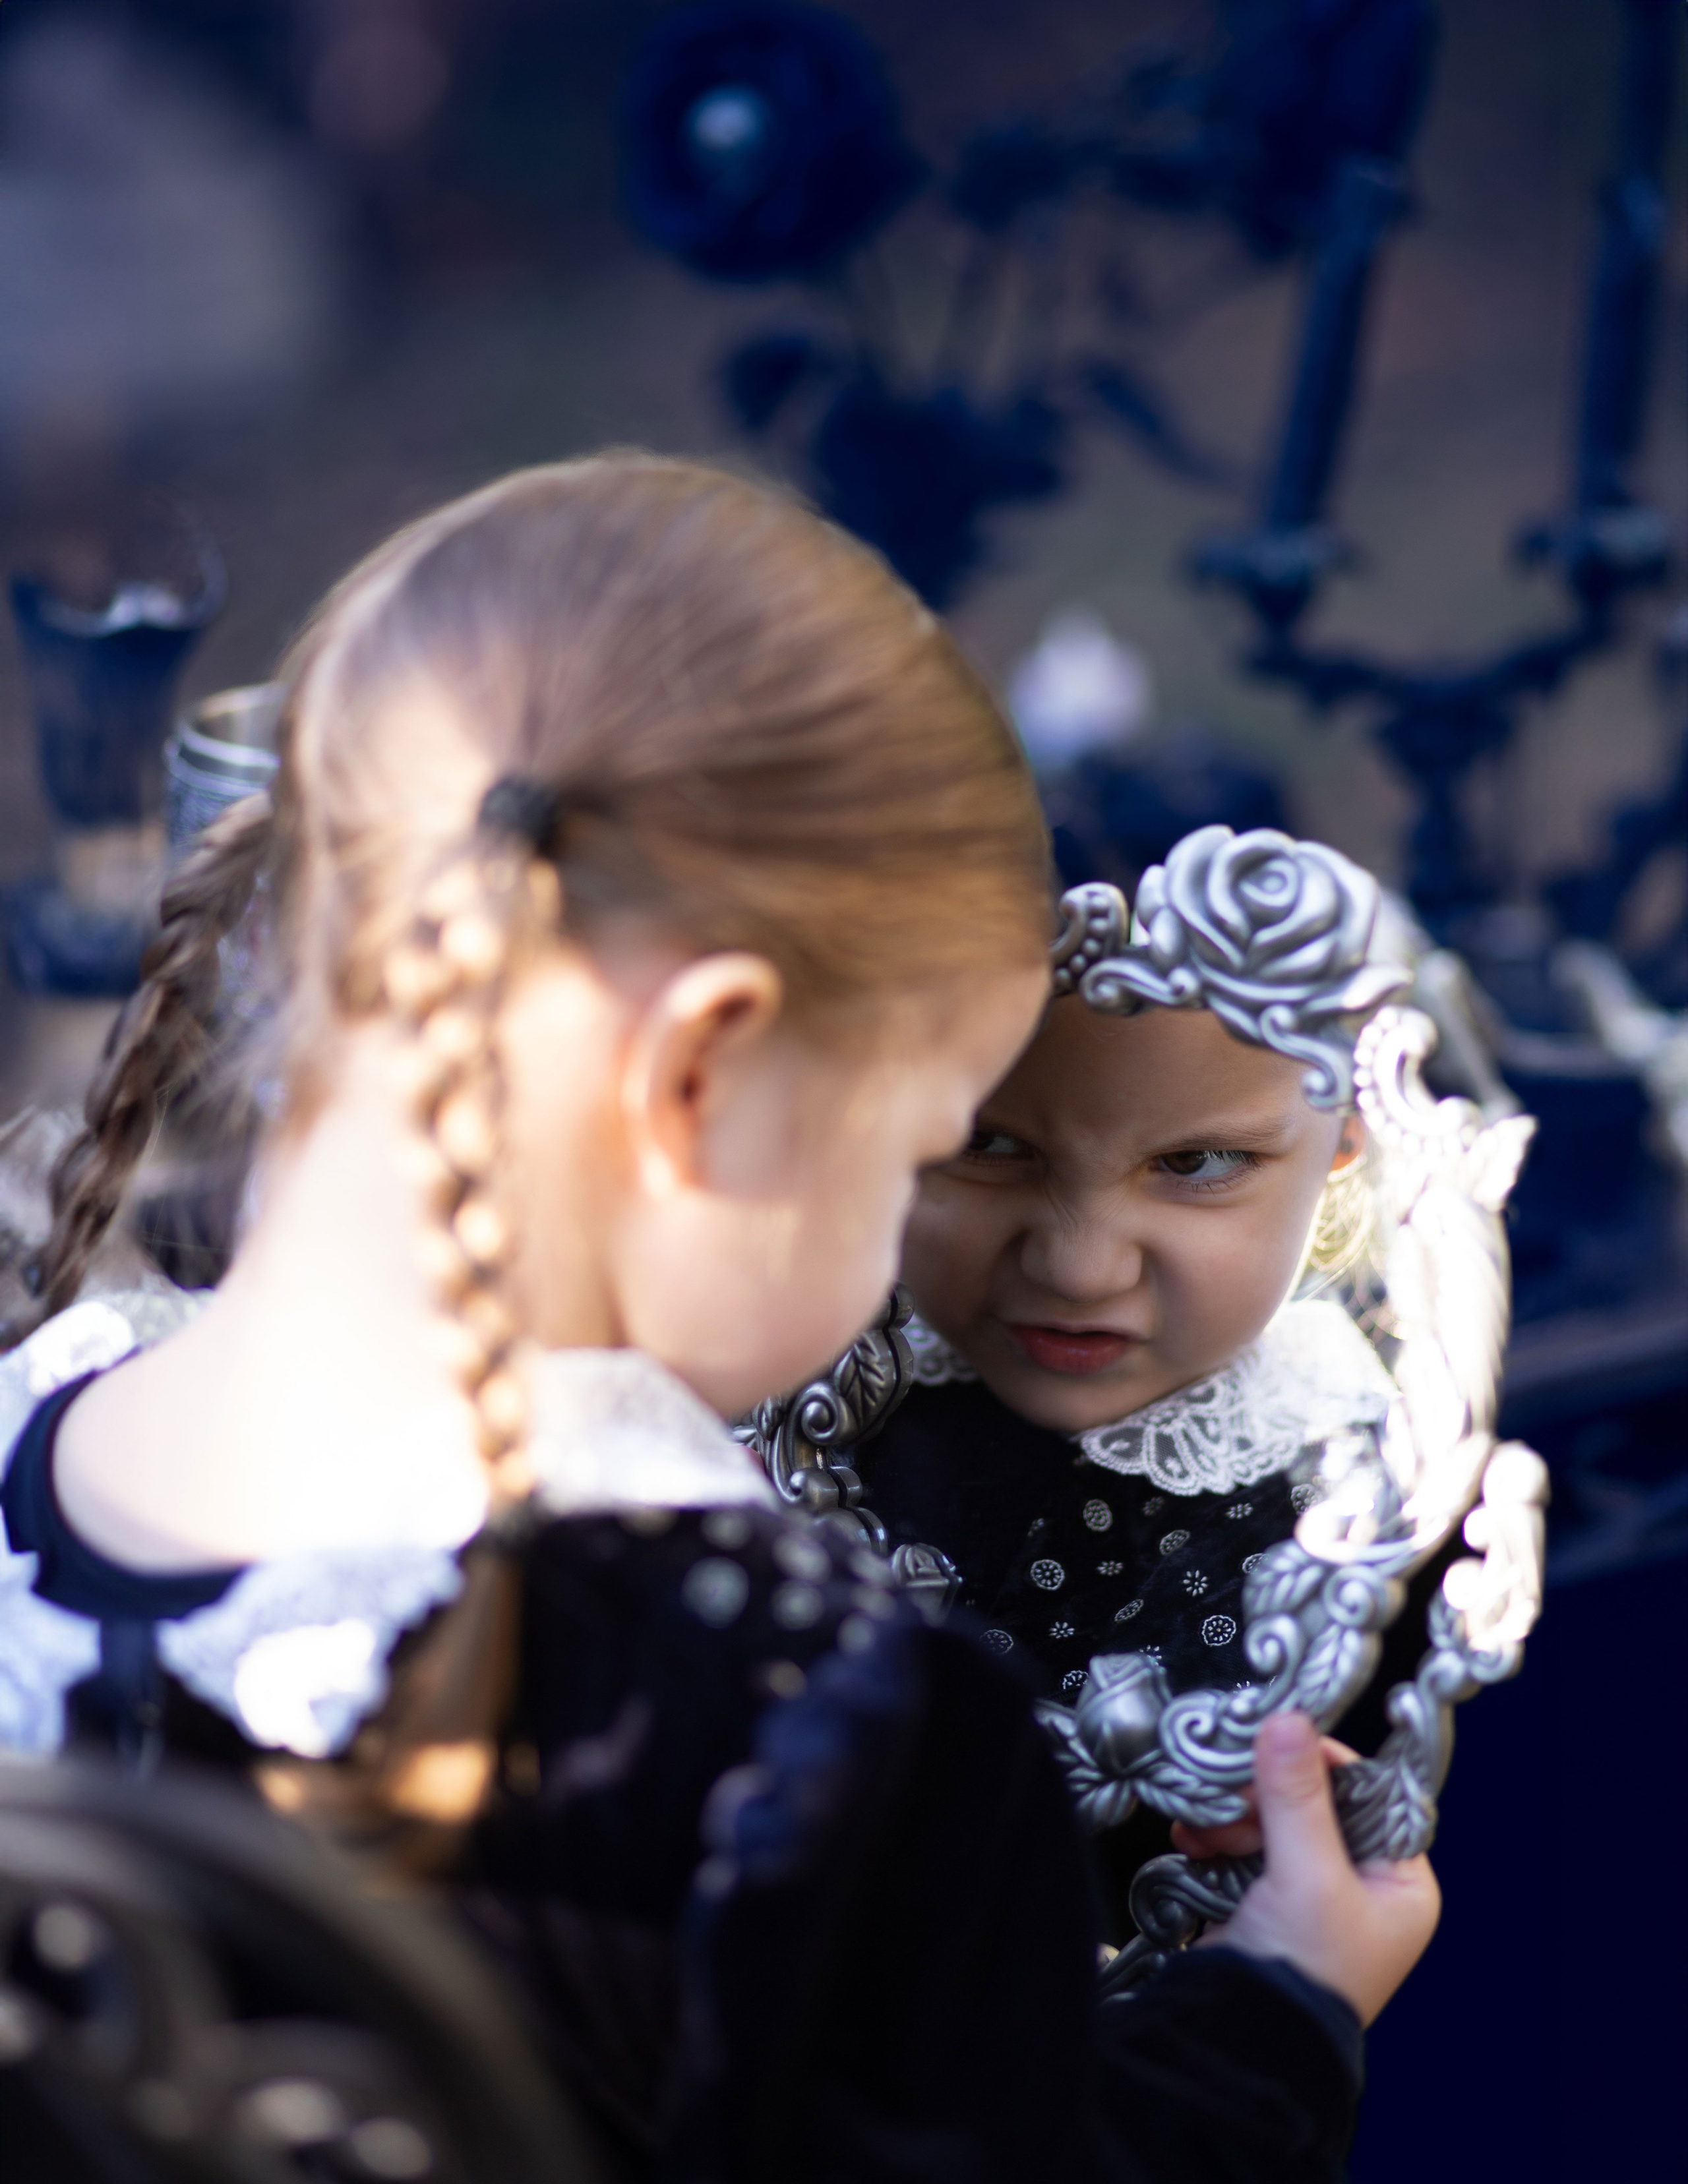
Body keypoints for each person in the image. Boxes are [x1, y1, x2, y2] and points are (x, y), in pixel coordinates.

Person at [0, 457, 1435, 2183]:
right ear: (696, 1074)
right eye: (918, 1151)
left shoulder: (42, 1425)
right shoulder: (804, 1727)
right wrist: (1278, 2007)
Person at [859, 989, 1394, 1702]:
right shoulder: (808, 1365)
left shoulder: (1343, 1519)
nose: (1076, 1271)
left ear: (1343, 1139)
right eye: (984, 1142)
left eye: (1197, 1161)